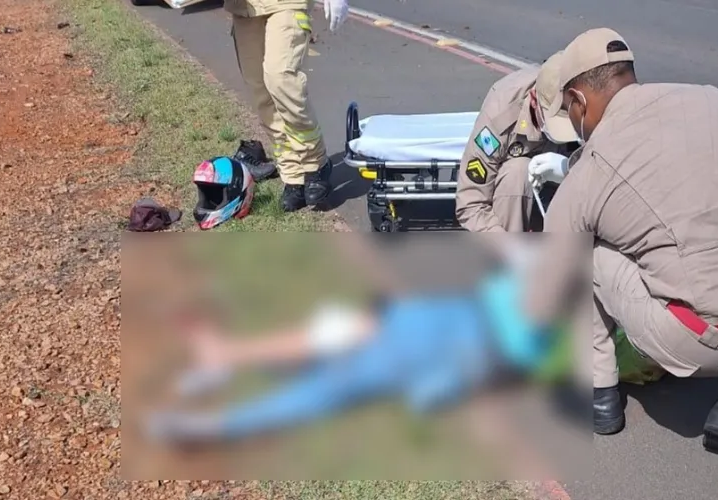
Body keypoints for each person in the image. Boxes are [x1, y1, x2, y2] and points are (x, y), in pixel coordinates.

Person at [532, 28, 718, 454]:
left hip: (697, 341)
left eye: (570, 112)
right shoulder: (714, 100)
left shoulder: (594, 163)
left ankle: (599, 396)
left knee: (585, 255)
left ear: (579, 100)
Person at [142, 246, 565, 444]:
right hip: (438, 329)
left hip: (441, 338)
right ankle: (226, 364)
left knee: (321, 378)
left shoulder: (537, 323)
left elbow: (496, 367)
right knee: (322, 357)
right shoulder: (533, 299)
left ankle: (220, 390)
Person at [225, 0, 349, 212]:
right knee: (260, 90)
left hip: (287, 4)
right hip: (244, 7)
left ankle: (315, 162)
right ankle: (293, 174)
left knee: (281, 78)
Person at [455, 51, 579, 232]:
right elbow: (471, 204)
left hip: (566, 191)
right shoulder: (500, 115)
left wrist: (570, 169)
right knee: (517, 172)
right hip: (512, 199)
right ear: (534, 100)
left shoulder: (593, 103)